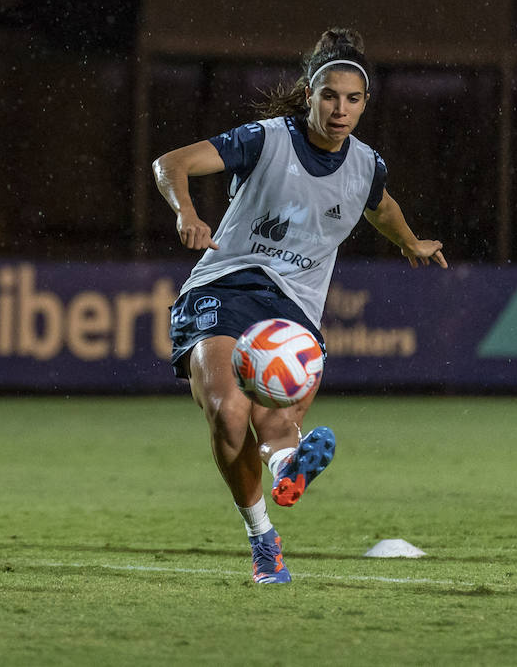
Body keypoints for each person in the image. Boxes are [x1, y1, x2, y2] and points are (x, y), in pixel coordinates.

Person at [154, 29, 446, 583]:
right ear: (310, 94)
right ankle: (264, 534)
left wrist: (409, 241)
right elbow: (171, 163)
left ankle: (288, 466)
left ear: (365, 105)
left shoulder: (365, 166)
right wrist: (185, 213)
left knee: (274, 418)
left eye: (352, 99)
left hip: (292, 316)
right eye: (329, 96)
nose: (340, 110)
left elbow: (380, 208)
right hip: (224, 287)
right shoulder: (266, 140)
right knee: (229, 411)